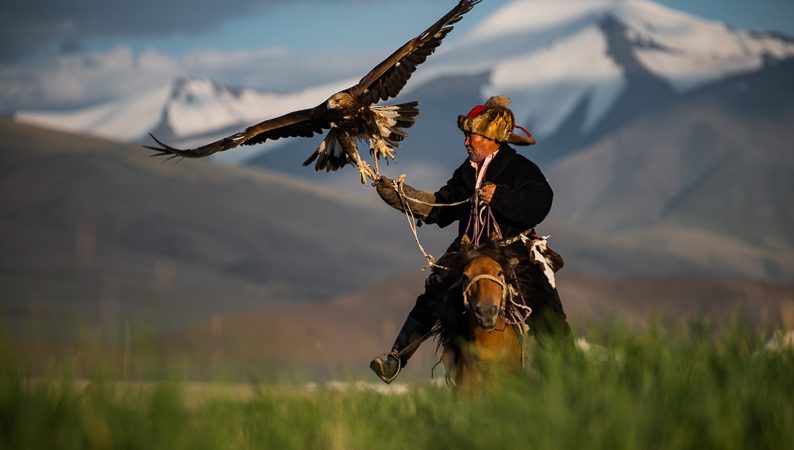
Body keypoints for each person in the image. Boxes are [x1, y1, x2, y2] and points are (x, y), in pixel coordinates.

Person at [370, 95, 572, 384]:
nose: (466, 142)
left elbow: (541, 203)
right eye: (466, 135)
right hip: (468, 249)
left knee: (541, 299)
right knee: (435, 289)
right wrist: (402, 197)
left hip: (511, 248)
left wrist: (500, 197)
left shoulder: (522, 169)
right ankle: (396, 357)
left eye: (471, 135)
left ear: (491, 138)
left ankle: (570, 366)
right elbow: (441, 207)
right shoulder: (466, 172)